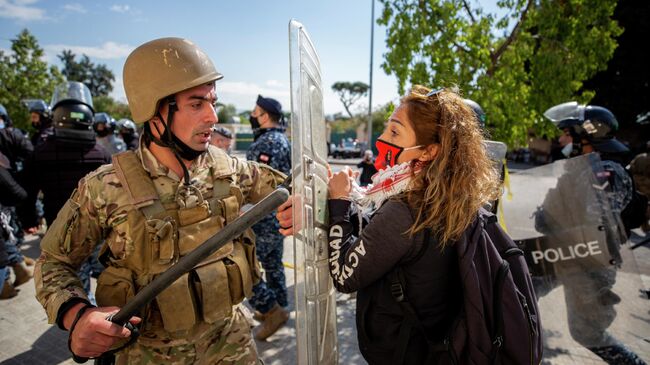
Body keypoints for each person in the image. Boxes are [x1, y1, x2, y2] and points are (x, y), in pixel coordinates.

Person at [34, 37, 293, 364]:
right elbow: (53, 263)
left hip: (231, 343)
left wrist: (302, 203)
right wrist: (77, 314)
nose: (213, 116)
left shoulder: (230, 169)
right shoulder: (105, 188)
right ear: (153, 110)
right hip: (147, 354)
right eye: (196, 104)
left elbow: (295, 185)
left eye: (213, 101)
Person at [327, 86, 500, 364]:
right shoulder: (447, 195)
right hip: (430, 345)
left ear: (429, 151)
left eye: (395, 132)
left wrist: (338, 203)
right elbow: (380, 242)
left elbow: (344, 276)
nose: (382, 138)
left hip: (404, 352)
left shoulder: (405, 211)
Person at [538, 102, 647, 365]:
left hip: (589, 263)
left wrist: (555, 219)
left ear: (586, 136)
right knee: (515, 294)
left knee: (586, 333)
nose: (561, 139)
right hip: (562, 253)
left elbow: (594, 219)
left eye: (567, 133)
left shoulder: (608, 172)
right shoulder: (579, 169)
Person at [245, 94, 291, 340]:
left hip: (264, 218)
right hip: (276, 217)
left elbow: (259, 185)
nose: (253, 117)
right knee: (274, 265)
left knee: (247, 269)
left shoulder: (268, 143)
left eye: (255, 113)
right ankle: (280, 307)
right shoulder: (280, 140)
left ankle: (271, 310)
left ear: (264, 115)